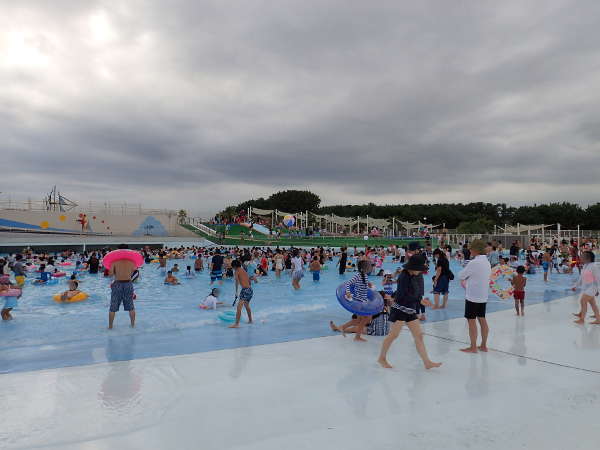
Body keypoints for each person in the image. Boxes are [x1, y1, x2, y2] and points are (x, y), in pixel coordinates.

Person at [377, 254, 441, 370]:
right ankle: (381, 358)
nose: (421, 271)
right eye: (419, 269)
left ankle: (427, 362)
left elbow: (414, 293)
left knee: (419, 336)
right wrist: (420, 301)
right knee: (393, 335)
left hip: (410, 310)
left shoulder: (412, 275)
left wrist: (421, 300)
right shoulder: (404, 277)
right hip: (400, 310)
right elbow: (402, 296)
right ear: (413, 267)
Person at [458, 240, 491, 353]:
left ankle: (473, 347)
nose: (470, 250)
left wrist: (465, 282)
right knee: (482, 319)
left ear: (476, 250)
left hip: (472, 296)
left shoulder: (474, 262)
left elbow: (461, 275)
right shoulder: (487, 262)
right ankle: (483, 345)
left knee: (471, 321)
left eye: (471, 248)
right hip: (483, 296)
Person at [342, 260, 374, 342]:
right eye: (369, 266)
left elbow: (363, 288)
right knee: (364, 319)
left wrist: (368, 284)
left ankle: (343, 328)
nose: (370, 267)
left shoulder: (365, 276)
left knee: (360, 320)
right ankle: (356, 336)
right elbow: (348, 283)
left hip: (362, 300)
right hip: (358, 301)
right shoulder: (358, 275)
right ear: (364, 268)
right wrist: (348, 292)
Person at [108, 244, 137, 329]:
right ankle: (132, 325)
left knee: (113, 307)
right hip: (128, 283)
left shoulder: (114, 262)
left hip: (117, 283)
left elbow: (110, 274)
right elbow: (132, 273)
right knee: (131, 306)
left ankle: (110, 327)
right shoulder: (132, 262)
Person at [572, 251, 600, 325]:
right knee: (593, 304)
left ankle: (582, 319)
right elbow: (581, 277)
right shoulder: (585, 265)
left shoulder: (594, 266)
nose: (580, 257)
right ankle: (598, 319)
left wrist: (598, 290)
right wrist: (576, 286)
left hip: (593, 287)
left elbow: (598, 278)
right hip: (587, 288)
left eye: (582, 256)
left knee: (583, 301)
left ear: (588, 258)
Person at [230, 260, 253, 328]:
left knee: (239, 307)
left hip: (245, 290)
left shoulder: (236, 271)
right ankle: (250, 320)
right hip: (250, 289)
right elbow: (249, 281)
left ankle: (236, 324)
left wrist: (236, 292)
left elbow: (236, 281)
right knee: (246, 306)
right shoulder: (243, 270)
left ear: (234, 266)